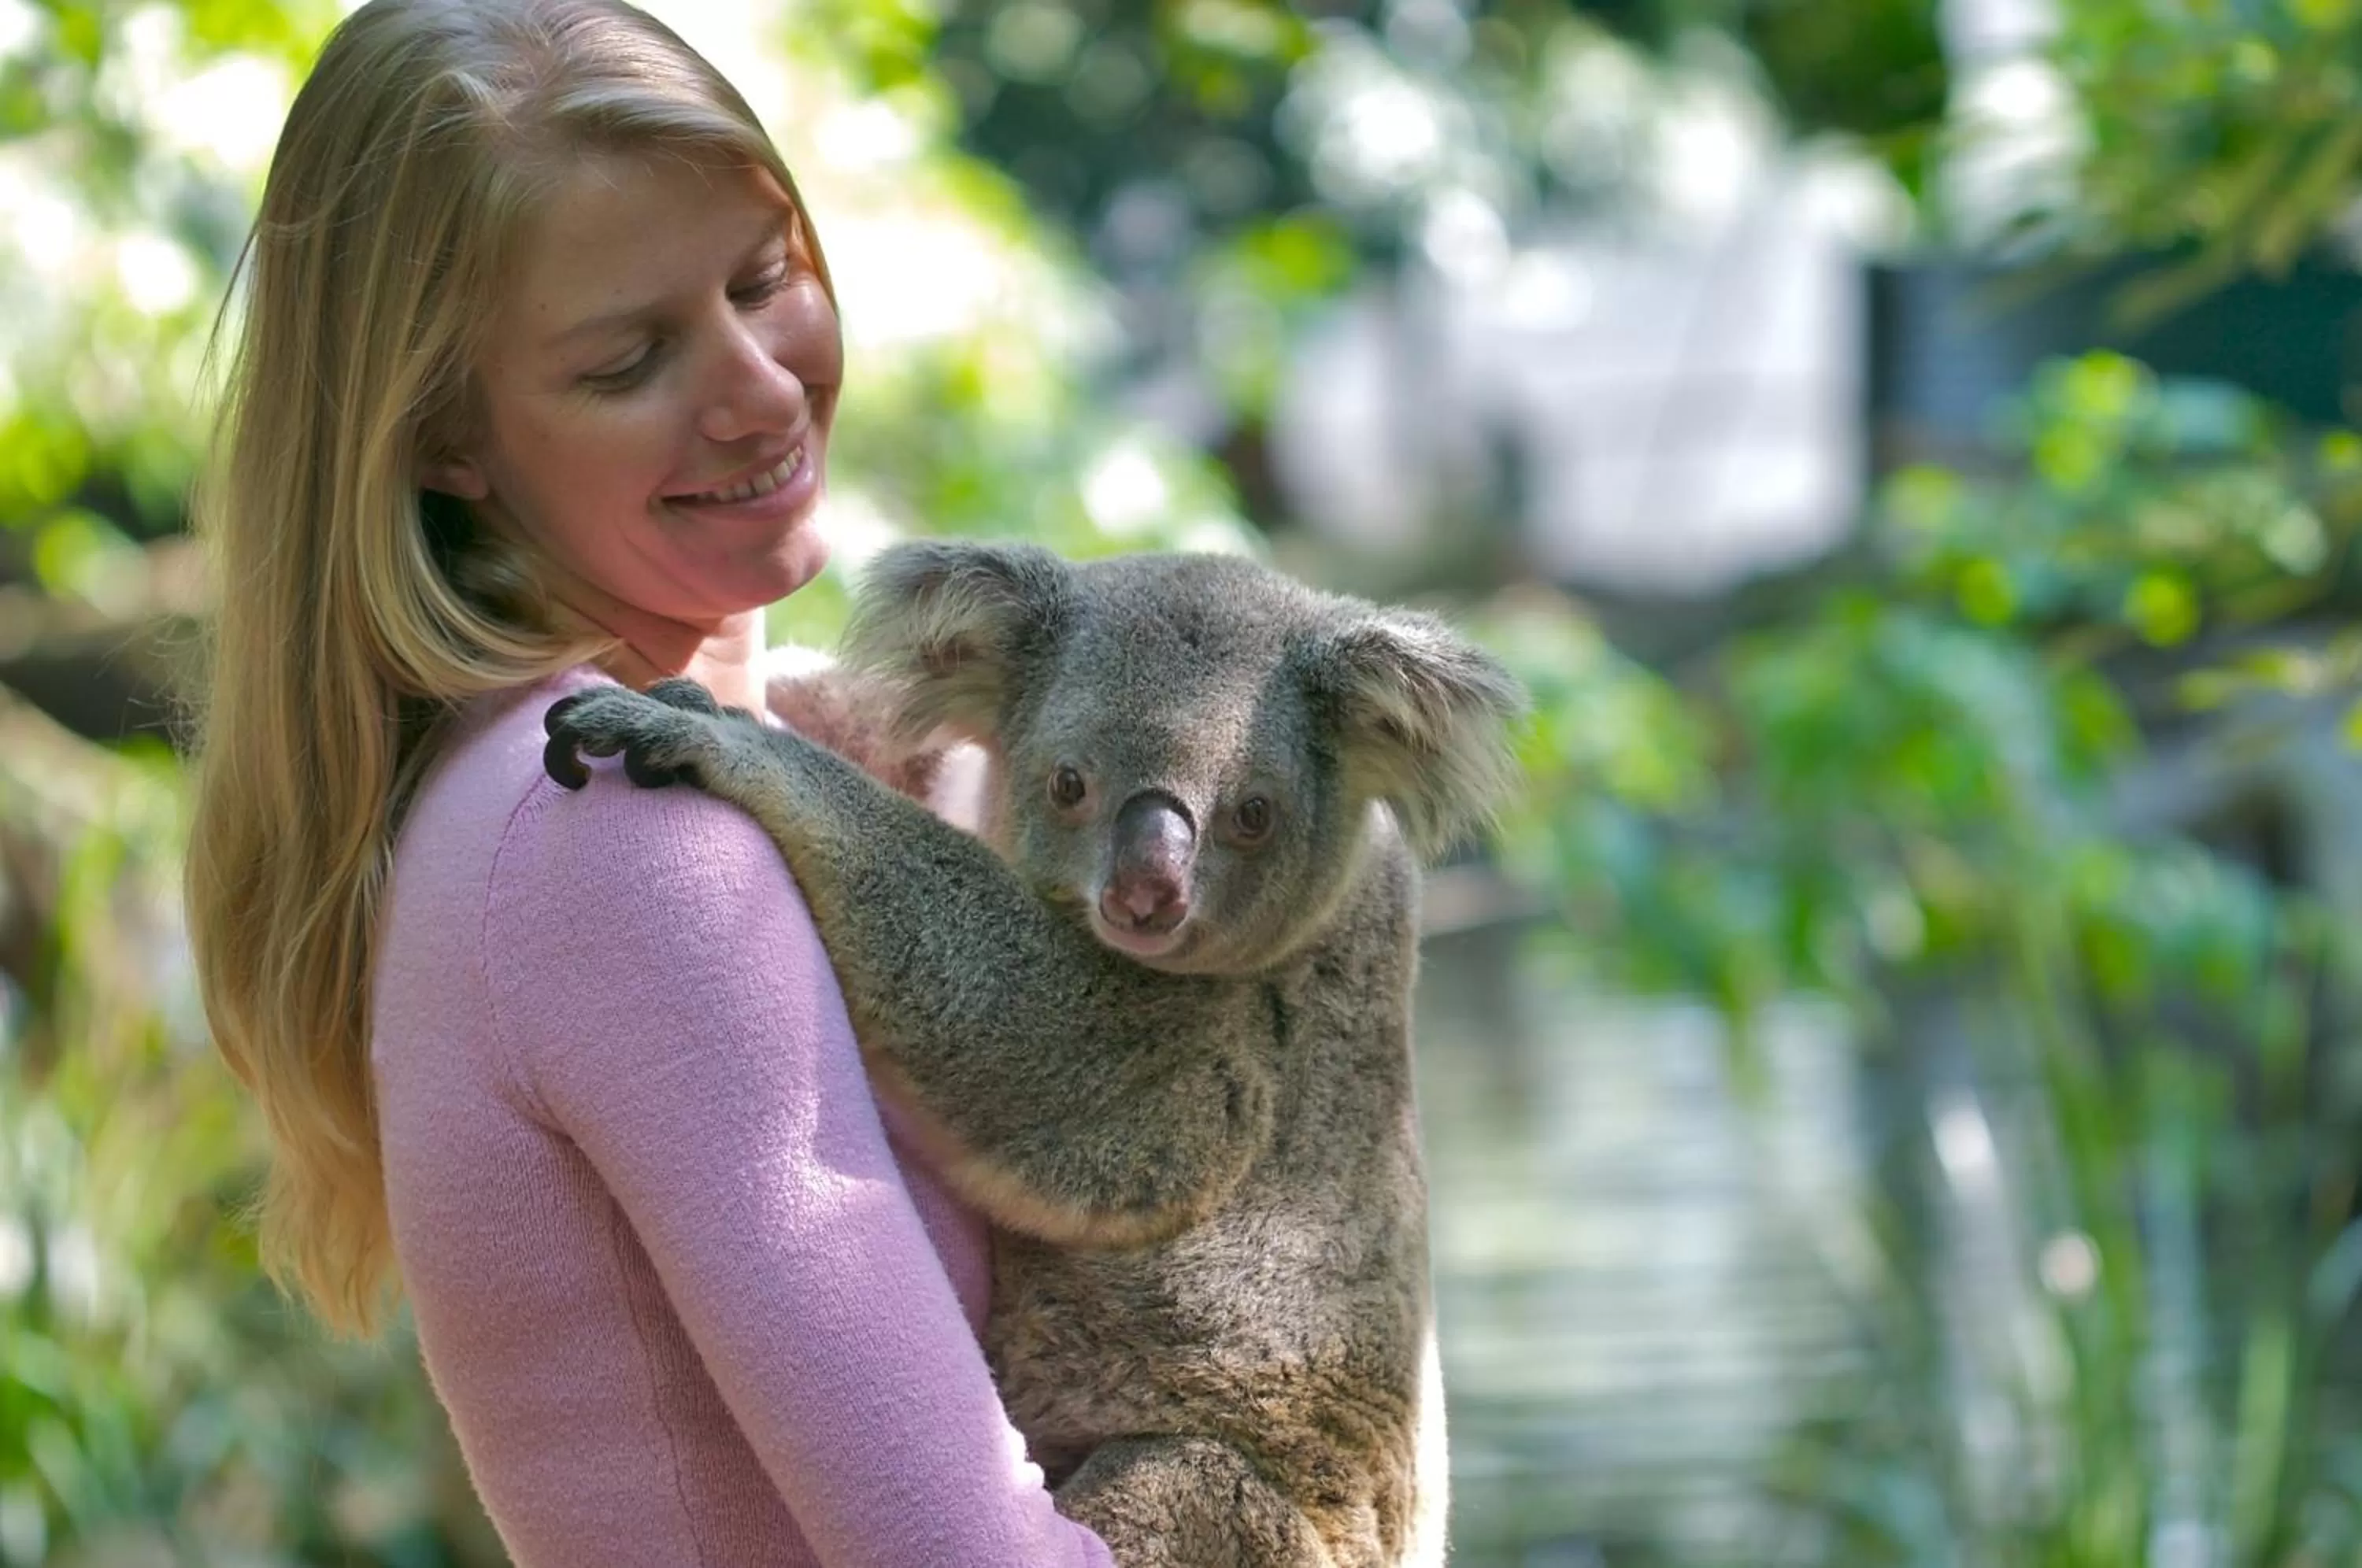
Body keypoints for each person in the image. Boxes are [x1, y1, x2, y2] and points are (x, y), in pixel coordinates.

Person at [180, 1, 1114, 1562]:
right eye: (630, 361)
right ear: (447, 436)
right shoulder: (609, 824)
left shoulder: (716, 772)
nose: (761, 391)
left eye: (764, 281)